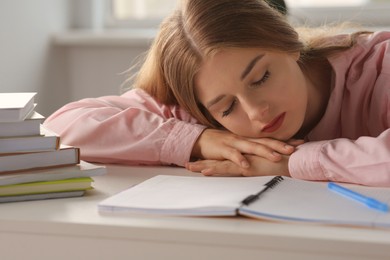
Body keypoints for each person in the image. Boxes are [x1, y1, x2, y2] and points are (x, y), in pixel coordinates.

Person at [44, 0, 390, 187]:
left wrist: (291, 161)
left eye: (261, 77)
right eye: (227, 108)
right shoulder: (195, 106)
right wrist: (198, 140)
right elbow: (61, 128)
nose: (256, 112)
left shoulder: (379, 66)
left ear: (289, 43)